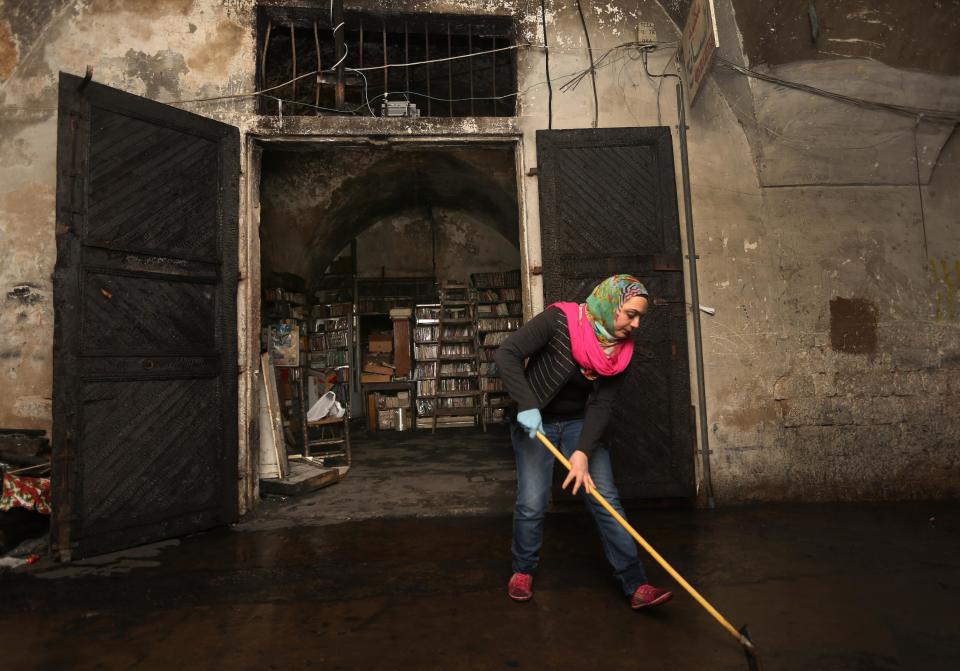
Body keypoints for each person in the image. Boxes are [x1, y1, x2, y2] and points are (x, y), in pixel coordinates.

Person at [493, 274, 673, 609]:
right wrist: (527, 406)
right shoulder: (559, 320)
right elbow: (507, 354)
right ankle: (522, 571)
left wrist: (582, 452)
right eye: (630, 314)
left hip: (580, 425)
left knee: (606, 499)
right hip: (537, 421)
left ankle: (636, 585)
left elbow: (602, 403)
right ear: (609, 304)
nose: (634, 324)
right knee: (532, 501)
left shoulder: (620, 352)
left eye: (639, 317)